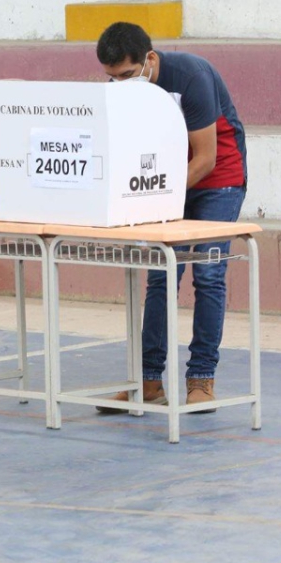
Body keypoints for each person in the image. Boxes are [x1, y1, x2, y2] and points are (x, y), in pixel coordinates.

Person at [95, 22, 247, 411]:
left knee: (208, 275)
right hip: (167, 181)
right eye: (112, 78)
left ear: (149, 59)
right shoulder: (122, 89)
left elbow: (206, 158)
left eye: (127, 75)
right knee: (161, 276)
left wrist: (155, 200)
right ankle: (148, 383)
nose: (120, 84)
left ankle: (201, 378)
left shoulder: (191, 76)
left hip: (218, 180)